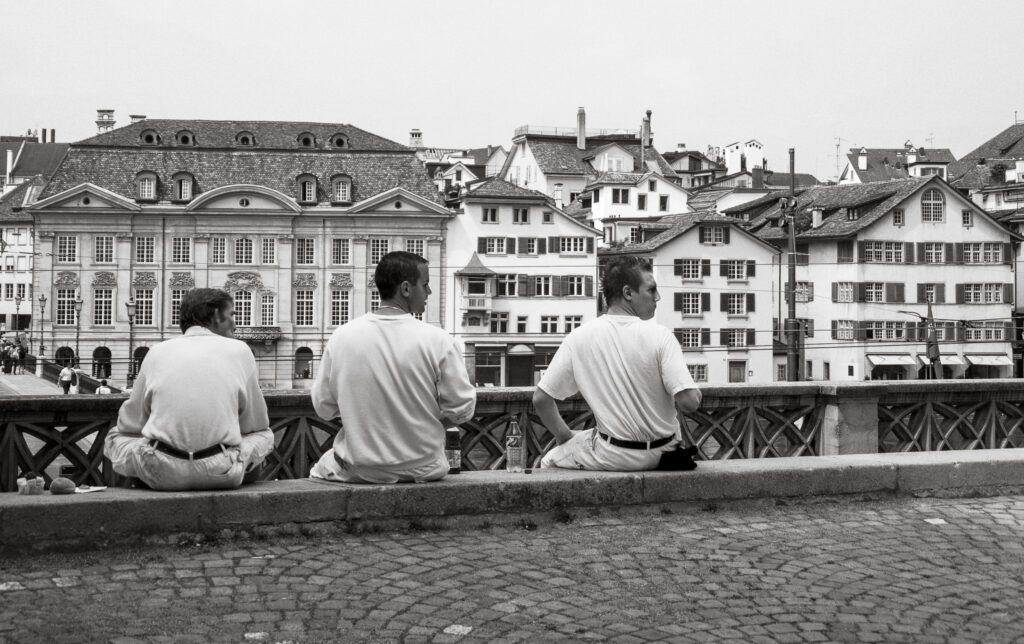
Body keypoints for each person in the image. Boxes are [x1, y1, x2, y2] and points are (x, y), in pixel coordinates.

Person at [309, 251, 476, 484]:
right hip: (424, 467)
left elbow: (324, 407)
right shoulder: (437, 339)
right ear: (406, 289)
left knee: (322, 466)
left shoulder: (342, 336)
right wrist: (423, 420)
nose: (429, 292)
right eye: (425, 285)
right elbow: (462, 409)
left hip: (362, 468)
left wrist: (363, 419)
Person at [533, 255, 703, 472]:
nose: (657, 297)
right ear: (628, 293)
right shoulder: (661, 336)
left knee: (549, 460)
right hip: (666, 453)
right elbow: (690, 402)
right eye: (651, 290)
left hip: (614, 455)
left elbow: (540, 399)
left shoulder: (579, 337)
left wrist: (565, 437)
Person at [103, 288, 274, 490]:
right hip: (222, 470)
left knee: (115, 435)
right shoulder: (240, 350)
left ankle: (134, 484)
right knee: (265, 435)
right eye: (232, 315)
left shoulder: (157, 352)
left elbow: (131, 423)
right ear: (217, 316)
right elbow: (255, 423)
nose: (235, 324)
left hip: (160, 471)